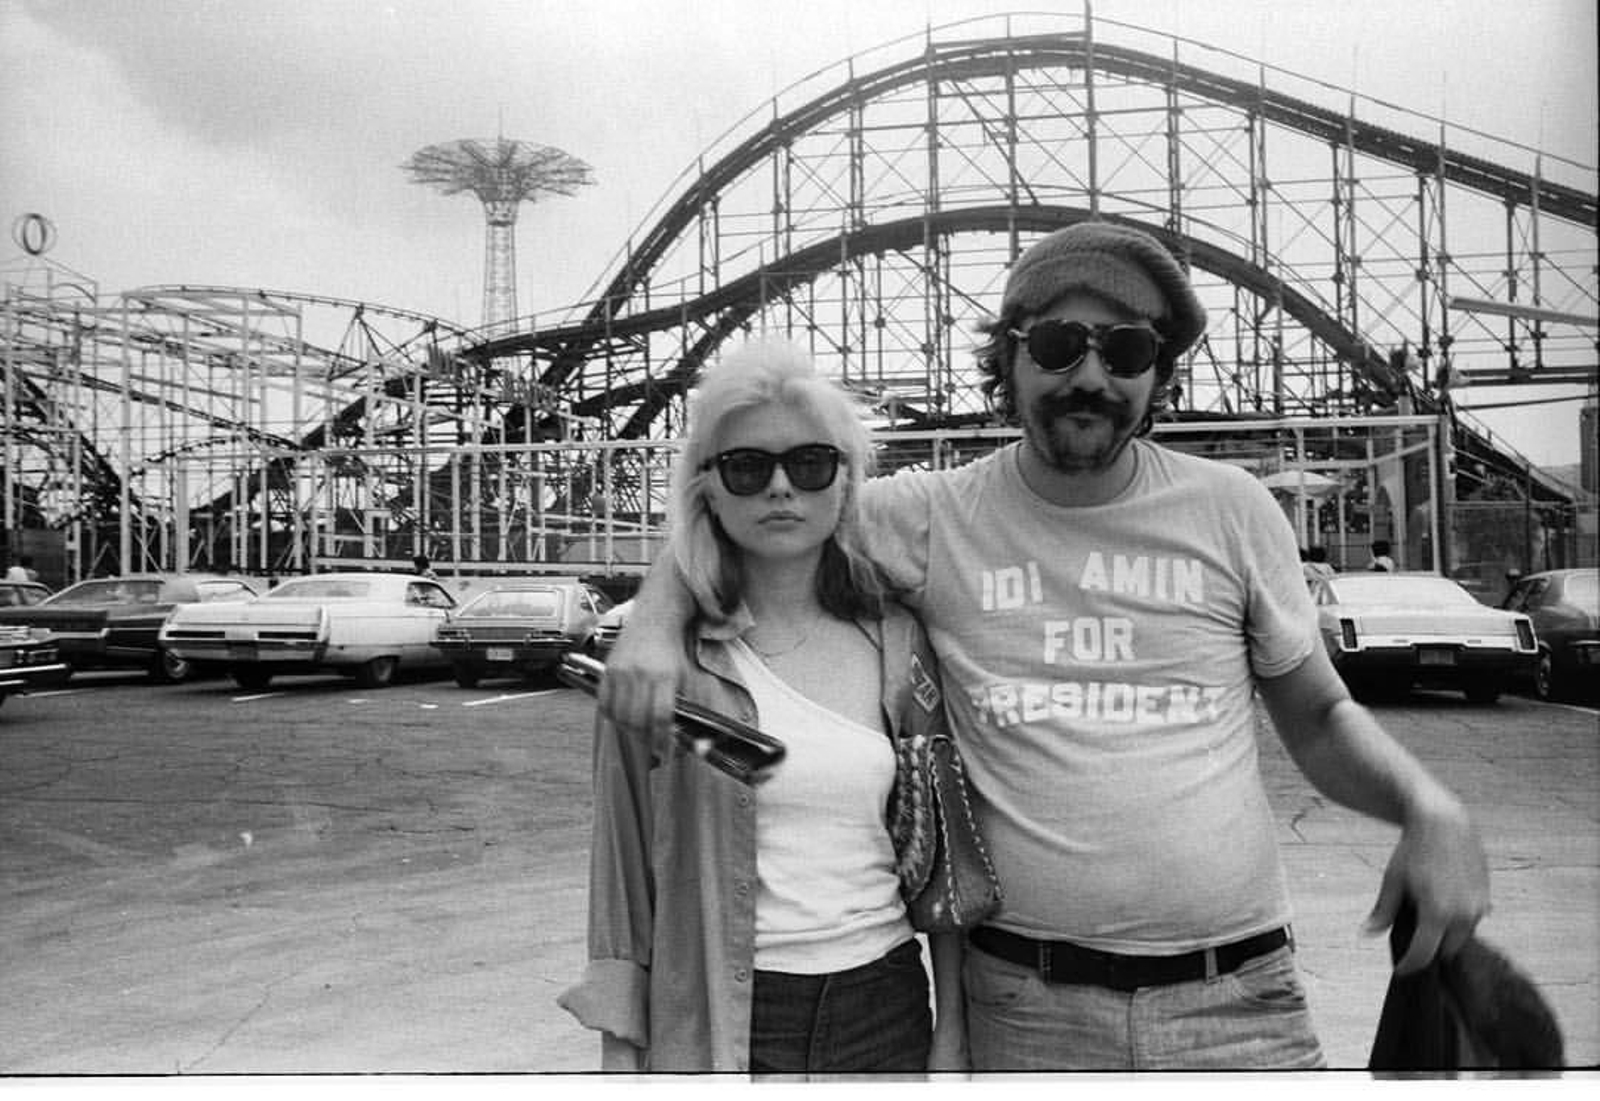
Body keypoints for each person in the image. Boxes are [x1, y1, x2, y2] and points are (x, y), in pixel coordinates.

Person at [599, 221, 1489, 1071]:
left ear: (1158, 373)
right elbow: (760, 508)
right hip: (1025, 1008)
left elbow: (1321, 718)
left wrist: (1429, 806)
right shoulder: (931, 516)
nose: (1091, 376)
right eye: (1060, 344)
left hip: (1236, 1001)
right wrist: (653, 618)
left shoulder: (1234, 510)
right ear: (1011, 358)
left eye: (1127, 350)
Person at [557, 340, 965, 1074]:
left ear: (846, 481)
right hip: (724, 1013)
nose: (781, 488)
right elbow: (620, 878)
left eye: (810, 464)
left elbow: (940, 861)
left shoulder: (898, 642)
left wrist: (953, 1036)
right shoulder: (661, 662)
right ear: (708, 489)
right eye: (747, 467)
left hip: (885, 1005)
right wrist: (620, 1056)